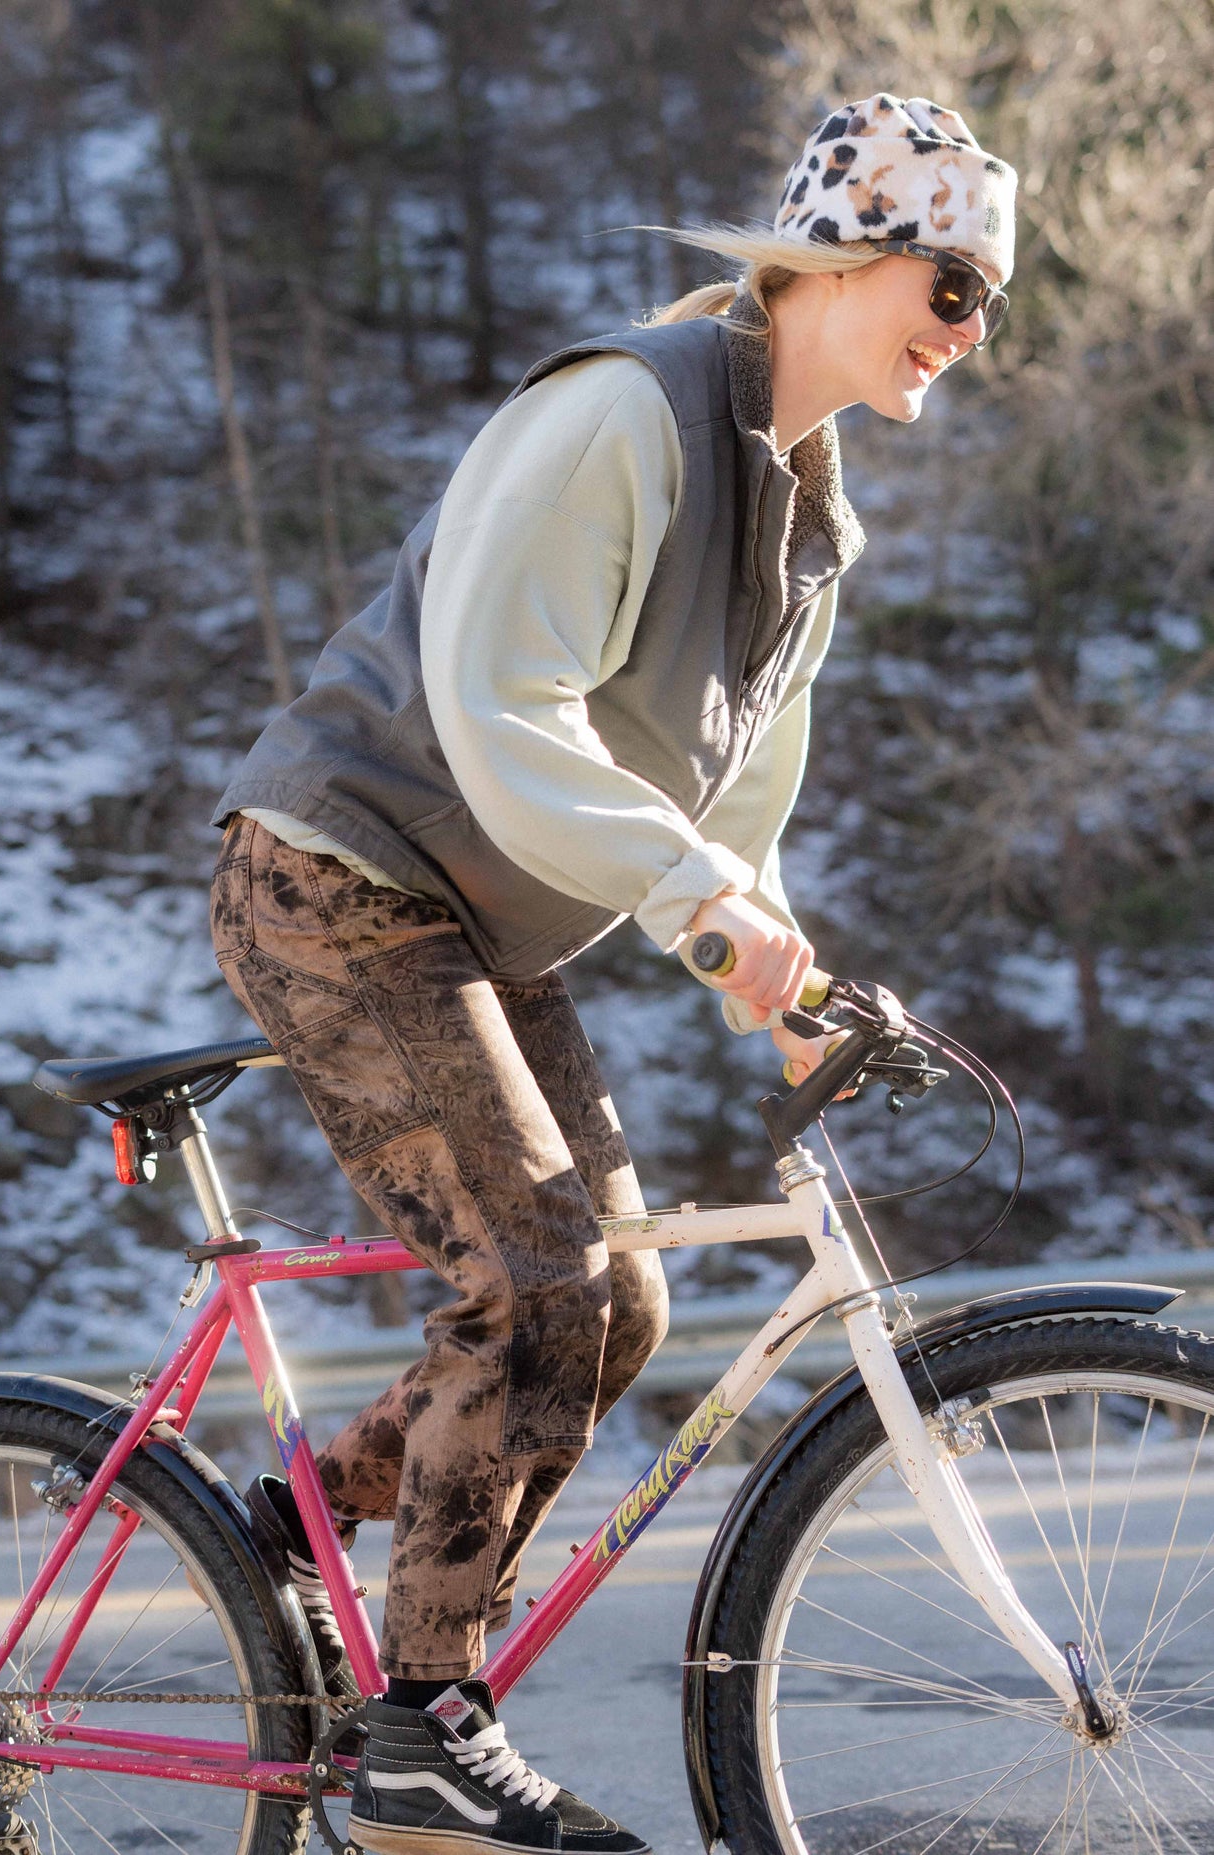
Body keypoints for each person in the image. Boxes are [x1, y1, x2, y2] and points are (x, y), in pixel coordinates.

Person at [210, 92, 1016, 1855]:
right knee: (537, 1283)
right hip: (337, 876)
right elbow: (510, 715)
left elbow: (742, 806)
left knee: (617, 1306)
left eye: (991, 307)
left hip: (473, 920)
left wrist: (786, 966)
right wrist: (691, 904)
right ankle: (427, 1723)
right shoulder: (624, 416)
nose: (971, 336)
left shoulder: (811, 524)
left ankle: (287, 1524)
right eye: (955, 289)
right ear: (850, 254)